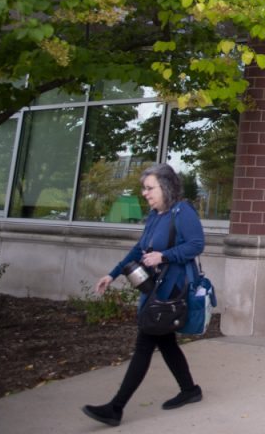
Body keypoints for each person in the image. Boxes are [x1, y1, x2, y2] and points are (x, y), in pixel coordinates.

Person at [82, 163, 205, 427]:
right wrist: (112, 274)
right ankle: (190, 389)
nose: (145, 193)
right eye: (144, 189)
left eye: (150, 188)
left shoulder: (183, 212)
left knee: (146, 342)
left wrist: (165, 255)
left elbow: (197, 244)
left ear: (167, 187)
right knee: (166, 341)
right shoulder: (155, 215)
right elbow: (139, 249)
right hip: (153, 288)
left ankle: (116, 408)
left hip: (171, 288)